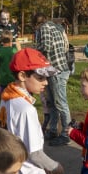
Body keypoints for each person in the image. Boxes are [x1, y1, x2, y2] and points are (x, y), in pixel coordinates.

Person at [0, 48, 64, 174]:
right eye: (40, 77)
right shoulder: (26, 109)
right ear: (22, 76)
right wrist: (53, 165)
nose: (46, 83)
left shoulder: (6, 99)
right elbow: (35, 153)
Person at [33, 12, 72, 146]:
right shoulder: (56, 26)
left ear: (37, 23)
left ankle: (66, 133)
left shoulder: (44, 28)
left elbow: (46, 47)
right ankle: (53, 129)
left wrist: (34, 50)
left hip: (57, 70)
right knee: (53, 102)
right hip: (54, 69)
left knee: (60, 103)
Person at [0, 30, 20, 96]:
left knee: (2, 96)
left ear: (2, 40)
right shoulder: (14, 50)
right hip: (13, 78)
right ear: (11, 40)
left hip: (2, 78)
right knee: (13, 96)